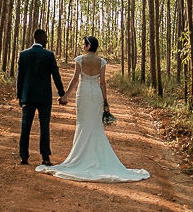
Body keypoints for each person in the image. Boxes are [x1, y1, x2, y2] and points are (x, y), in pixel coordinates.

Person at [36, 36, 149, 182]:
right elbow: (102, 83)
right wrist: (105, 102)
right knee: (96, 125)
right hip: (96, 94)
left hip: (83, 93)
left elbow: (75, 79)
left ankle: (81, 156)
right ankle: (97, 156)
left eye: (84, 44)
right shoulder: (101, 62)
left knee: (83, 124)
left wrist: (65, 96)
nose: (82, 46)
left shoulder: (80, 60)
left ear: (89, 46)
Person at [17, 28, 67, 166]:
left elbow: (20, 78)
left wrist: (19, 96)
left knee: (25, 126)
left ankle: (24, 156)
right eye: (45, 38)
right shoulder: (48, 55)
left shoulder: (24, 54)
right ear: (40, 38)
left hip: (27, 96)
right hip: (44, 98)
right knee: (44, 126)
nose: (47, 40)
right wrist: (62, 93)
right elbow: (55, 75)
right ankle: (45, 157)